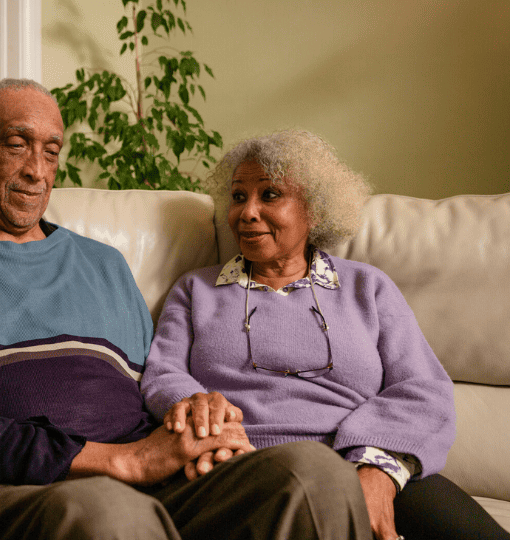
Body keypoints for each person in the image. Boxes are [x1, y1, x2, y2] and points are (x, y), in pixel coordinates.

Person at [0, 80, 373, 540]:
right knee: (110, 512)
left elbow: (154, 389)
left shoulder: (104, 264)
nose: (36, 171)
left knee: (313, 474)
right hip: (2, 494)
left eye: (51, 152)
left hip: (145, 484)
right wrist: (121, 462)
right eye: (16, 144)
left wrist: (197, 415)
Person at [141, 129, 510, 540]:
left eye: (270, 195)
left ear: (313, 210)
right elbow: (161, 373)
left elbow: (422, 387)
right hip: (243, 465)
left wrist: (377, 469)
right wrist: (192, 404)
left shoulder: (367, 287)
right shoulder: (196, 290)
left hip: (359, 457)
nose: (246, 212)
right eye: (239, 196)